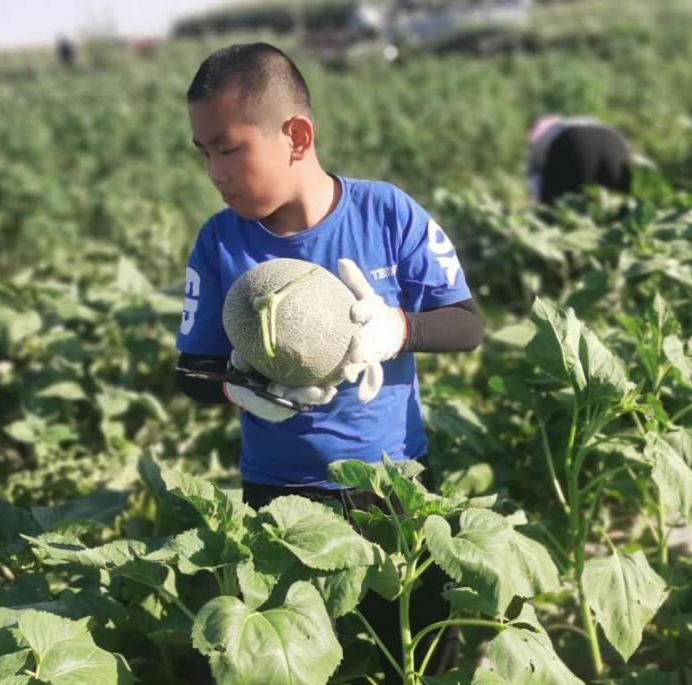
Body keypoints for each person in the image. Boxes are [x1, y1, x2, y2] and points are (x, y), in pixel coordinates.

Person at [172, 42, 483, 683]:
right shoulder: (219, 242)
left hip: (393, 486)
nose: (215, 172)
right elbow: (190, 369)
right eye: (204, 153)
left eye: (229, 148)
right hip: (280, 501)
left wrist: (398, 329)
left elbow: (468, 325)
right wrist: (239, 391)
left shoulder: (388, 213)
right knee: (297, 665)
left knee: (417, 658)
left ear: (296, 135)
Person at [525, 114, 632, 205]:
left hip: (572, 141)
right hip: (614, 141)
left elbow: (535, 174)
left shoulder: (547, 137)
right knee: (621, 206)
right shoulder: (572, 123)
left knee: (558, 208)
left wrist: (540, 203)